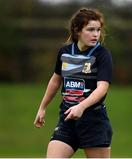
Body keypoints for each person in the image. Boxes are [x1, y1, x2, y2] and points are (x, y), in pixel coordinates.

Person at [34, 7, 113, 158]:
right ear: (77, 31)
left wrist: (81, 107)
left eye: (98, 29)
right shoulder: (64, 52)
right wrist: (42, 107)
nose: (96, 34)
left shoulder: (102, 55)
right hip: (67, 119)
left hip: (93, 122)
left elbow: (102, 88)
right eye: (90, 29)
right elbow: (56, 79)